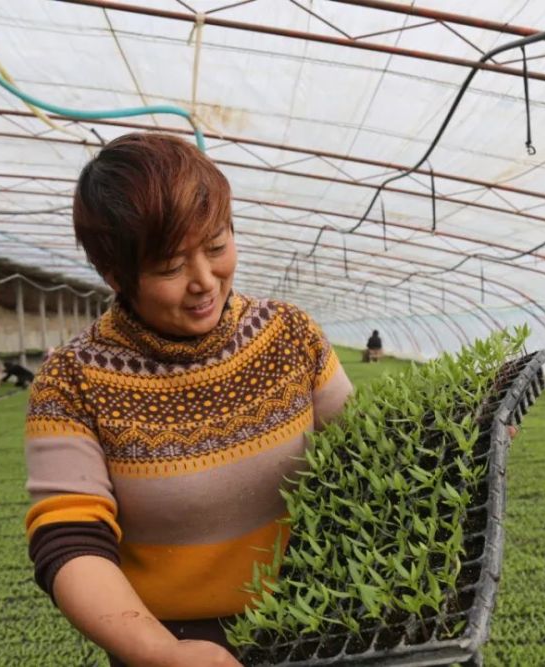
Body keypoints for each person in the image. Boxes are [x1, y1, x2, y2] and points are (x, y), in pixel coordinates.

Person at [23, 132, 353, 667]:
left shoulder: (289, 334)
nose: (204, 281)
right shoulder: (72, 381)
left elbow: (364, 447)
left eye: (217, 246)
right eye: (171, 267)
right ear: (117, 276)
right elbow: (69, 537)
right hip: (171, 640)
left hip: (314, 616)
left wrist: (460, 434)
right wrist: (160, 651)